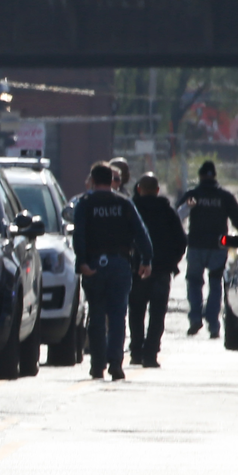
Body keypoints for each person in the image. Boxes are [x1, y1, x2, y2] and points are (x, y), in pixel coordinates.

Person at [73, 161, 154, 380]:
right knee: (118, 315)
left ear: (92, 180)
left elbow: (78, 235)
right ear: (111, 180)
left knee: (97, 315)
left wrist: (81, 262)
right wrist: (146, 259)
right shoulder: (124, 203)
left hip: (94, 264)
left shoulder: (85, 203)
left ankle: (97, 364)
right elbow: (141, 232)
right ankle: (115, 363)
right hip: (120, 263)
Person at [176, 160, 238, 338]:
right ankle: (213, 323)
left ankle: (195, 318)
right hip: (218, 246)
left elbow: (175, 216)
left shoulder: (193, 195)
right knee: (216, 283)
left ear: (200, 176)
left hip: (196, 245)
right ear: (214, 176)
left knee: (194, 282)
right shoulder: (224, 196)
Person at [130, 172, 185, 368]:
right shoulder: (168, 212)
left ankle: (136, 352)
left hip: (136, 270)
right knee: (157, 314)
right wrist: (171, 262)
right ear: (157, 190)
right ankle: (150, 354)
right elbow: (181, 241)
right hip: (161, 271)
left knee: (136, 312)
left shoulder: (132, 209)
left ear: (139, 189)